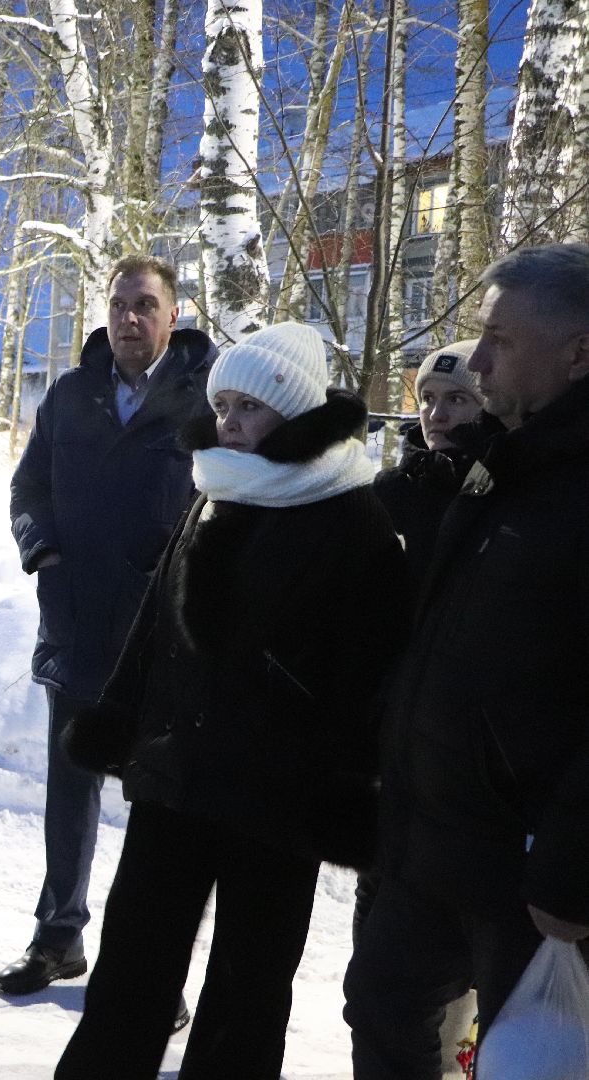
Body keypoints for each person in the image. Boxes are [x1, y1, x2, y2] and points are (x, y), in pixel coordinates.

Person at [54, 322, 408, 1079]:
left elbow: (368, 668)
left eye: (252, 406)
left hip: (279, 797)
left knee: (248, 989)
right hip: (175, 776)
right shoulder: (214, 486)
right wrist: (118, 716)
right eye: (225, 404)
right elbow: (157, 622)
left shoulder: (353, 515)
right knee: (131, 969)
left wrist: (346, 787)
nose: (231, 422)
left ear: (297, 411)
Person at [345, 243, 589, 1076]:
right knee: (380, 1007)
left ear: (578, 353)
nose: (478, 364)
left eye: (499, 343)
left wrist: (568, 867)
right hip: (430, 840)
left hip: (529, 875)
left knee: (526, 1056)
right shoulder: (500, 466)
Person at [0, 255, 216, 1013]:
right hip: (81, 622)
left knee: (164, 805)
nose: (129, 317)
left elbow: (232, 503)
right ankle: (58, 938)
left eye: (145, 305)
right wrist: (45, 554)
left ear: (172, 314)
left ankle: (156, 968)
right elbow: (28, 488)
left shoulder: (209, 399)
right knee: (71, 788)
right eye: (119, 304)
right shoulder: (70, 395)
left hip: (169, 636)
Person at [371, 340, 505, 581]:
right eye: (427, 398)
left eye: (455, 399)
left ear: (488, 409)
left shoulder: (507, 491)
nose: (436, 415)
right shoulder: (388, 491)